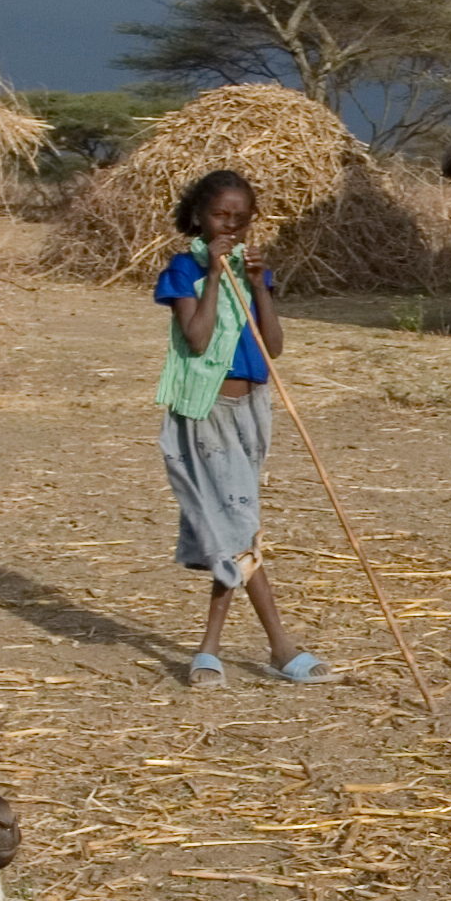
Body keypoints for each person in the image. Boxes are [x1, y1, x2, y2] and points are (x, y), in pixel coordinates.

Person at [155, 170, 320, 687]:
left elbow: (272, 348)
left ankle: (213, 650)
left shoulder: (255, 272)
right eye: (220, 217)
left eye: (240, 219)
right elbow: (199, 339)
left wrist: (254, 286)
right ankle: (278, 648)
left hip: (253, 410)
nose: (230, 225)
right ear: (199, 217)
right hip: (207, 413)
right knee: (238, 530)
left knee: (232, 529)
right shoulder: (184, 271)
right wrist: (215, 272)